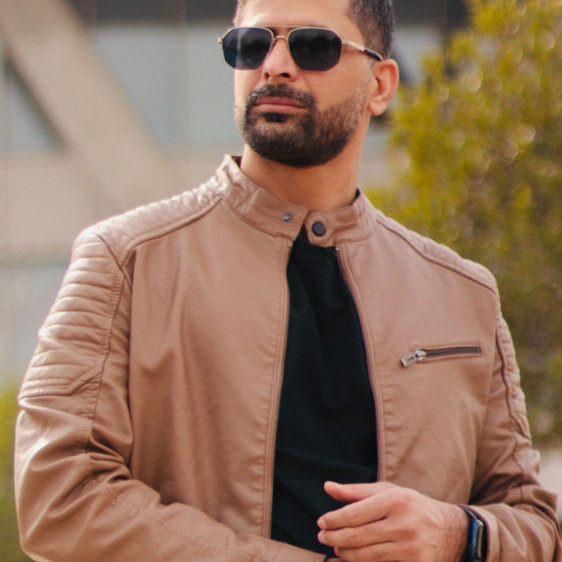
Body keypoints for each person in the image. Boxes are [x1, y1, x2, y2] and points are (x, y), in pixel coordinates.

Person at [14, 0, 561, 560]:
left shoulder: (462, 293)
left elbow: (536, 523)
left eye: (313, 46)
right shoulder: (125, 260)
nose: (274, 65)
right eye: (252, 45)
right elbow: (59, 495)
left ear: (380, 85)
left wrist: (457, 533)